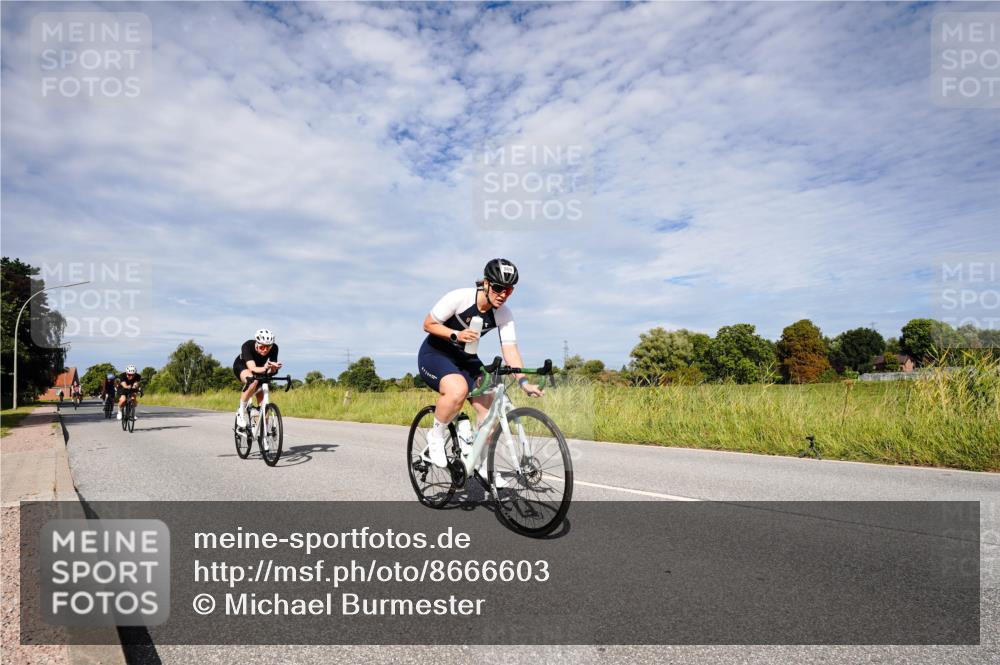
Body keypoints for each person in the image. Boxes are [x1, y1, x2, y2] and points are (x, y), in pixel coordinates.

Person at [418, 258, 543, 469]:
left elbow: (510, 350)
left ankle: (480, 464)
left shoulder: (503, 314)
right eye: (498, 288)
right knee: (458, 390)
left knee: (491, 407)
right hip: (435, 354)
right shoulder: (459, 297)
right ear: (485, 283)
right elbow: (428, 323)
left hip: (466, 358)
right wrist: (456, 335)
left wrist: (524, 383)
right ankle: (436, 436)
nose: (503, 294)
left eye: (509, 290)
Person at [233, 329, 282, 429]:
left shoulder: (274, 348)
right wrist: (265, 368)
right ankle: (241, 412)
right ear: (257, 343)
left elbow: (269, 371)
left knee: (262, 396)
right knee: (252, 381)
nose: (265, 350)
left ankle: (264, 430)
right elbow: (252, 369)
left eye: (268, 347)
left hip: (260, 368)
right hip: (243, 366)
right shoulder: (247, 346)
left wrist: (273, 369)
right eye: (262, 347)